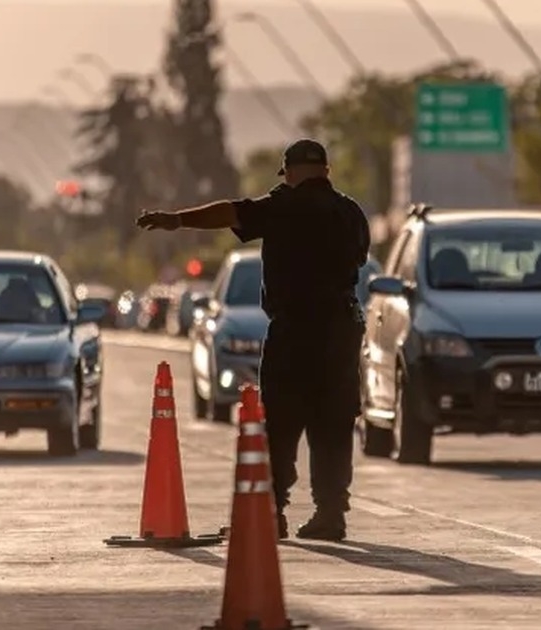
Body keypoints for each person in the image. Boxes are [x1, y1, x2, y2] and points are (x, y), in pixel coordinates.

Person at [136, 138, 370, 541]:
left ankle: (271, 512)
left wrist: (175, 220)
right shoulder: (351, 212)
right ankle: (331, 514)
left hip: (294, 329)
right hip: (340, 329)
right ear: (327, 171)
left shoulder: (281, 207)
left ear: (290, 172)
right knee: (333, 422)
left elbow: (230, 211)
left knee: (280, 422)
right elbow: (359, 259)